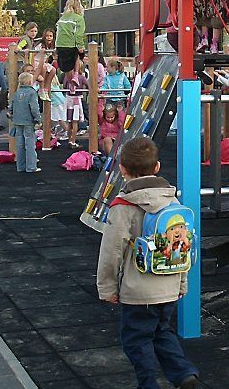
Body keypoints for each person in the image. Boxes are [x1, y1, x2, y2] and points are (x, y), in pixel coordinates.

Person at [96, 136, 199, 389]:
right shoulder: (173, 203)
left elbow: (111, 251)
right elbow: (182, 248)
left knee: (136, 339)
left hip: (138, 291)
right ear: (157, 167)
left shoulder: (123, 206)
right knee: (162, 331)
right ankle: (183, 373)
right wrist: (182, 284)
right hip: (169, 285)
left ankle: (148, 384)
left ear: (122, 169)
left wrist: (107, 287)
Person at [9, 72, 41, 173]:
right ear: (30, 81)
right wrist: (38, 119)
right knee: (30, 145)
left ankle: (20, 166)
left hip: (18, 121)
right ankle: (31, 167)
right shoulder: (32, 92)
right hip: (28, 121)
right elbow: (34, 108)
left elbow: (12, 106)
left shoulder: (18, 92)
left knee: (20, 144)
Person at [56, 0, 86, 74]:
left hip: (60, 45)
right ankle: (76, 74)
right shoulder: (79, 18)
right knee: (79, 56)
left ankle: (70, 81)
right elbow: (78, 35)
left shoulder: (62, 18)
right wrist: (80, 46)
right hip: (70, 45)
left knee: (66, 69)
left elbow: (58, 33)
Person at [63, 58, 88, 149]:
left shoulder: (67, 77)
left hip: (69, 99)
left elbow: (65, 86)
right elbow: (88, 85)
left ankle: (70, 139)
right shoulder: (81, 77)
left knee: (69, 121)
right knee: (75, 121)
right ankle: (73, 141)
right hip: (77, 100)